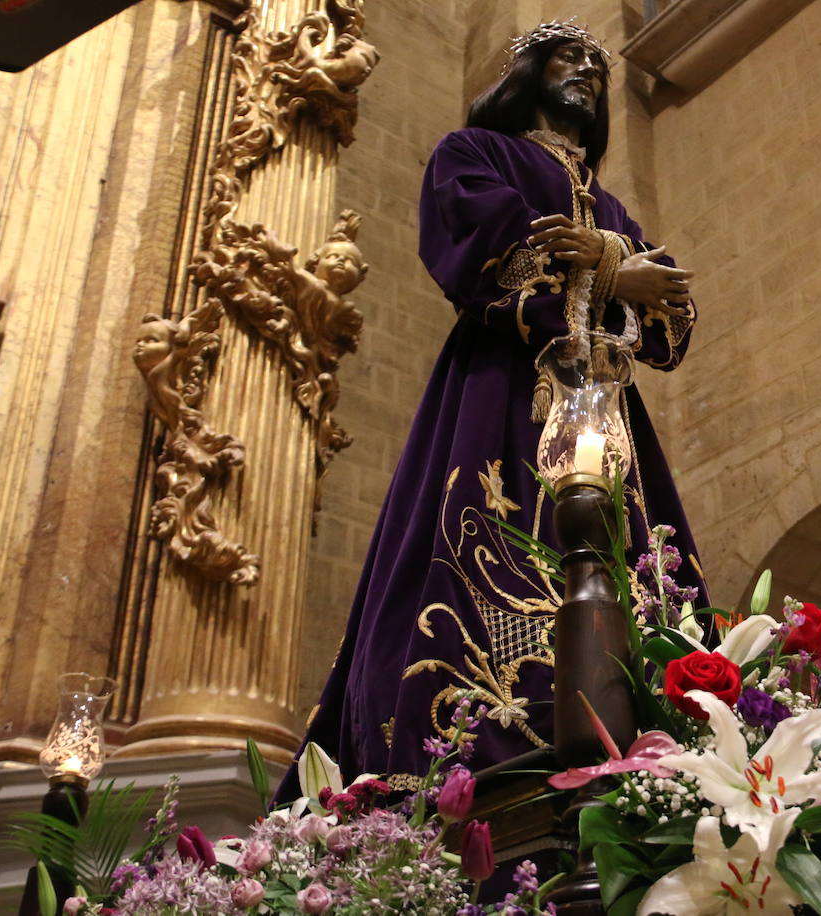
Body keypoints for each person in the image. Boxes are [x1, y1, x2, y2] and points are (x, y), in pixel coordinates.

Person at [277, 20, 705, 797]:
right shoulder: (472, 152)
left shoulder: (610, 205)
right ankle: (476, 751)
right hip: (504, 391)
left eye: (597, 66)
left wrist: (607, 259)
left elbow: (672, 317)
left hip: (604, 407)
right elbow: (488, 249)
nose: (587, 73)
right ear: (528, 72)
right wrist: (617, 272)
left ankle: (649, 740)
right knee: (485, 547)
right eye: (568, 58)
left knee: (639, 575)